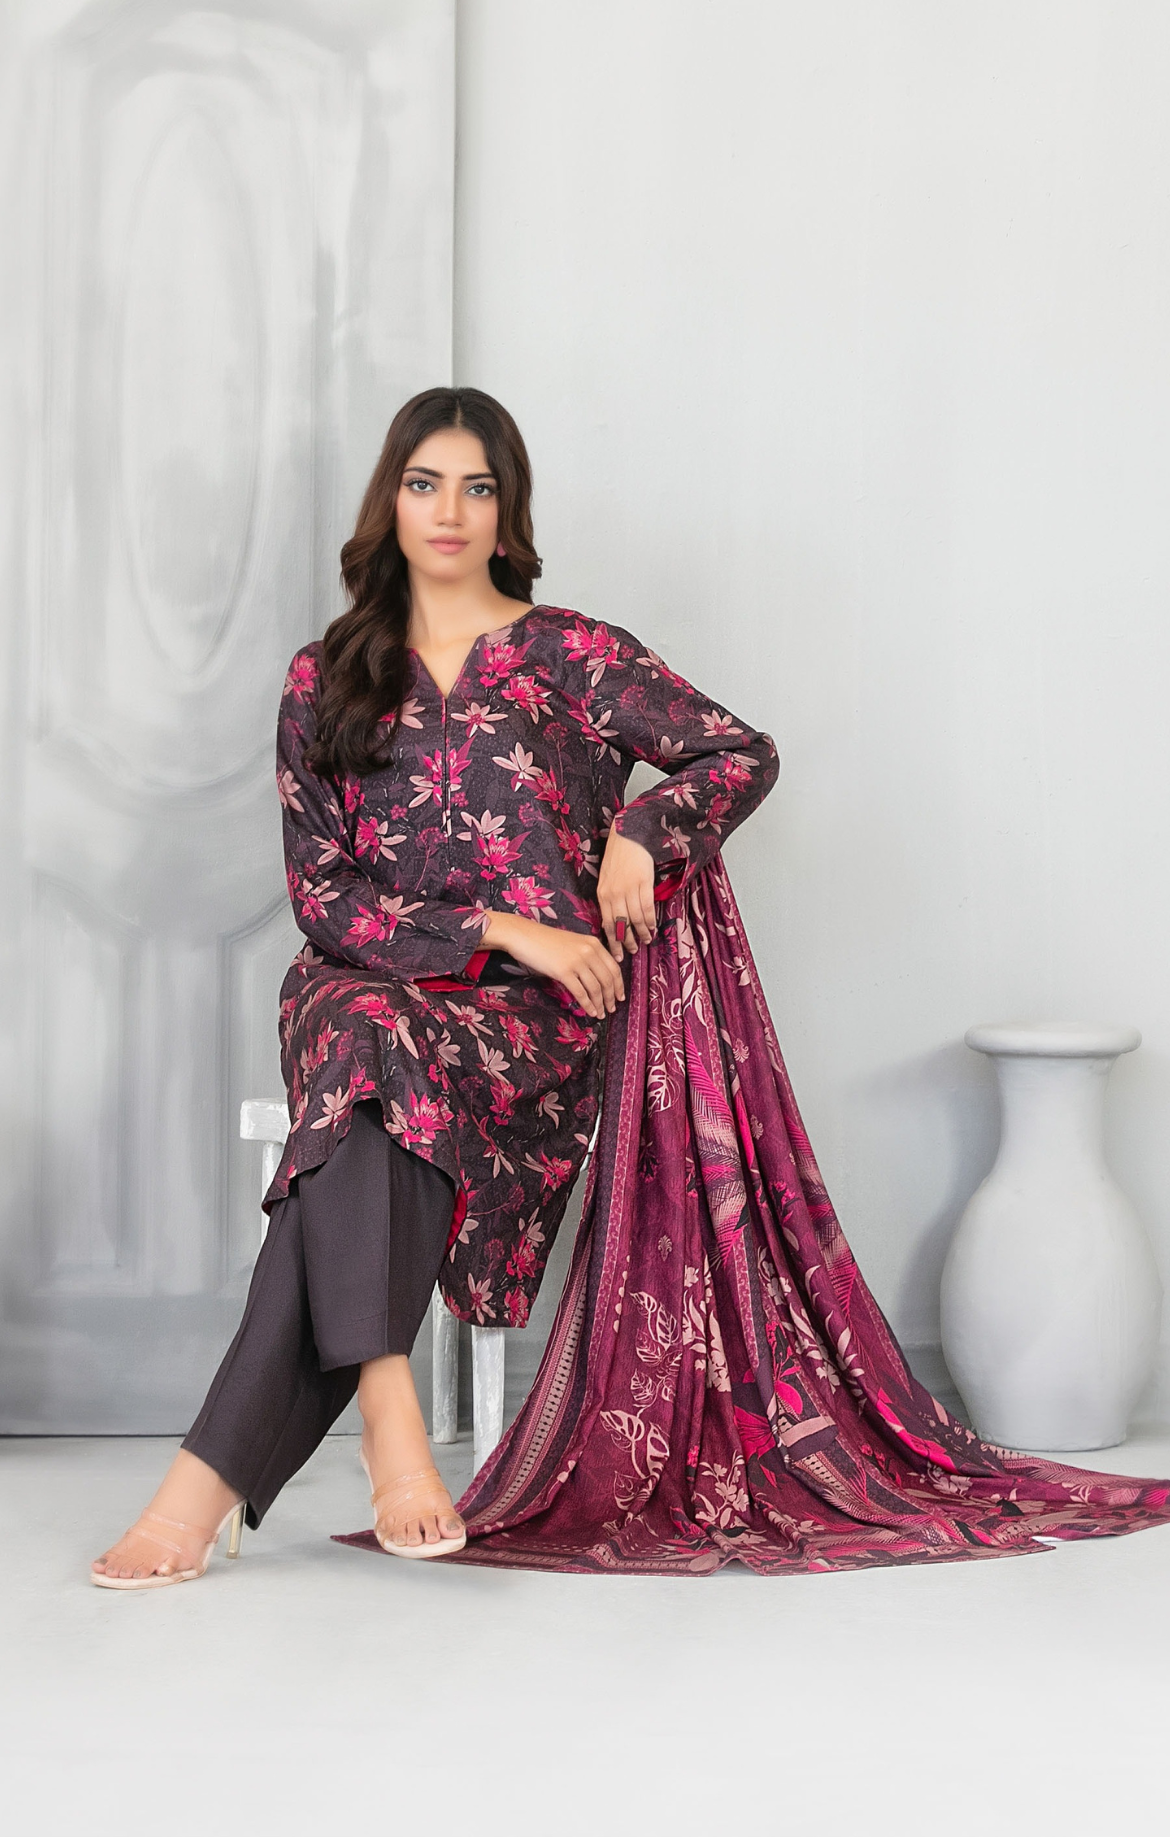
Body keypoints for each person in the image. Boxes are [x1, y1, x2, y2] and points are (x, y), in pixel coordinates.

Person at [91, 387, 778, 1587]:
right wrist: (505, 924)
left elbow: (739, 751)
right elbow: (325, 896)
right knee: (365, 1030)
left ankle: (206, 1486)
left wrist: (641, 828)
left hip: (527, 1024)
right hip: (364, 980)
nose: (449, 510)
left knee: (354, 1108)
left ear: (508, 511)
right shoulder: (326, 677)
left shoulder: (575, 655)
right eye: (424, 483)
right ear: (391, 502)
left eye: (477, 486)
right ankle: (389, 1411)